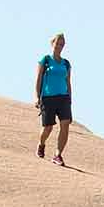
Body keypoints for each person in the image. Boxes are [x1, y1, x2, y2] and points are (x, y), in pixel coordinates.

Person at [33, 33, 74, 164]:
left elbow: (68, 82)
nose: (59, 46)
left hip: (63, 98)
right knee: (48, 127)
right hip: (48, 97)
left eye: (62, 44)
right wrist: (36, 97)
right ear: (52, 44)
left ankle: (57, 154)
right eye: (57, 43)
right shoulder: (45, 60)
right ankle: (41, 144)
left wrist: (70, 99)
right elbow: (38, 79)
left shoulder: (66, 64)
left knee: (65, 125)